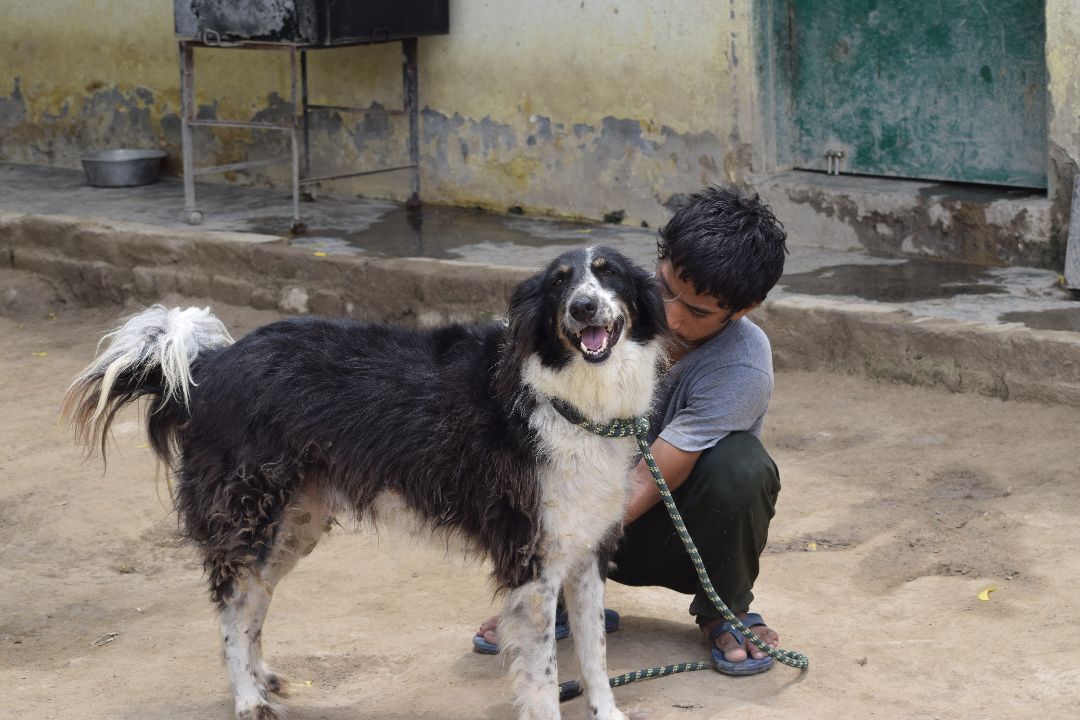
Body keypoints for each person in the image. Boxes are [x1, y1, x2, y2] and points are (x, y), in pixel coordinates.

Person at [474, 185, 789, 675]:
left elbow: (646, 479)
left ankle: (724, 609)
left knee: (741, 465)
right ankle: (552, 598)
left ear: (744, 308)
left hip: (666, 534)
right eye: (665, 289)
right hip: (569, 517)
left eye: (698, 311)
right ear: (659, 260)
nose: (672, 314)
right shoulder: (603, 304)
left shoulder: (743, 367)